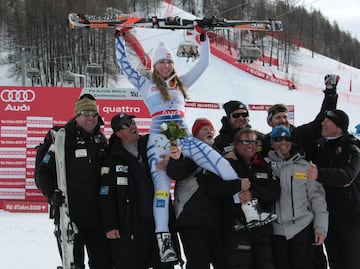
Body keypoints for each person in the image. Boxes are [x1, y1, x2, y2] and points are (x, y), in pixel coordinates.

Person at [114, 25, 250, 262]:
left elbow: (204, 63)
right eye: (161, 63)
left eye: (169, 62)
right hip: (158, 139)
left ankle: (248, 209)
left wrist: (203, 38)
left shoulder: (181, 83)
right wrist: (119, 37)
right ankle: (164, 241)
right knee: (162, 190)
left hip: (183, 136)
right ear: (155, 66)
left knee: (223, 166)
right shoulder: (146, 84)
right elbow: (124, 65)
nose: (166, 66)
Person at [35, 94, 113, 269]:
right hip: (70, 216)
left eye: (94, 114)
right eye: (86, 113)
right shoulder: (63, 138)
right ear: (77, 115)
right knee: (73, 265)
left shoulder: (100, 140)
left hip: (96, 218)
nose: (91, 118)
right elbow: (42, 173)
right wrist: (52, 194)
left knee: (103, 264)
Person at [99, 113, 181, 269]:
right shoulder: (113, 158)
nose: (132, 126)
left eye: (132, 122)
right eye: (125, 125)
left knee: (165, 264)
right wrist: (110, 225)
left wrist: (175, 139)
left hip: (160, 222)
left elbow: (172, 130)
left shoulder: (151, 144)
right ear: (118, 134)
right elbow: (106, 195)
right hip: (131, 225)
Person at [201, 128, 280, 269]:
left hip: (262, 232)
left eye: (254, 142)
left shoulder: (263, 165)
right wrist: (237, 185)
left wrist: (253, 193)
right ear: (236, 144)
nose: (251, 145)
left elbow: (274, 192)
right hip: (236, 230)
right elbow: (212, 188)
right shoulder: (226, 164)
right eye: (246, 141)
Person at [165, 118, 227, 268]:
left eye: (211, 129)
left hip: (217, 220)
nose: (209, 131)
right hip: (192, 218)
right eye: (204, 129)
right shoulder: (186, 151)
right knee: (198, 264)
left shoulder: (220, 153)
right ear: (195, 135)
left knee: (225, 263)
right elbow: (176, 172)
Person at [267, 126, 328, 269]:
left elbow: (317, 199)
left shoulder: (305, 167)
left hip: (302, 228)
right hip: (276, 231)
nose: (283, 142)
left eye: (287, 138)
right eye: (278, 139)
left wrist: (321, 229)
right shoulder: (266, 165)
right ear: (271, 142)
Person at [306, 109, 360, 269]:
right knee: (335, 261)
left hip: (351, 218)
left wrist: (319, 173)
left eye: (327, 121)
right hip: (329, 217)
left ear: (339, 126)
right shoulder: (319, 146)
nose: (323, 123)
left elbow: (347, 176)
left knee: (352, 262)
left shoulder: (352, 148)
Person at [262, 74, 339, 158]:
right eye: (278, 117)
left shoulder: (300, 134)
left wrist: (330, 93)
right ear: (270, 122)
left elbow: (321, 122)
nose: (283, 120)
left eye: (285, 117)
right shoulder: (265, 141)